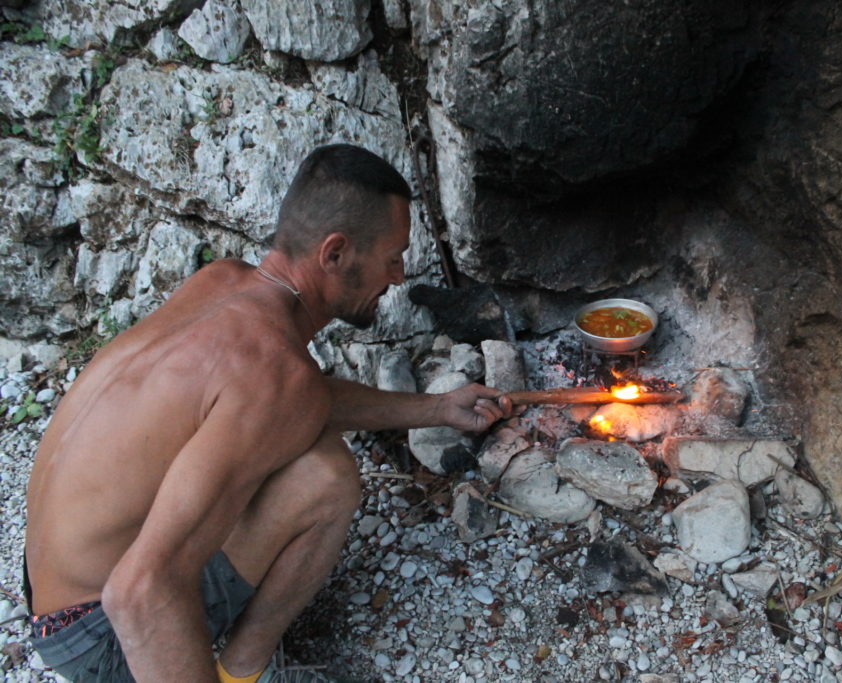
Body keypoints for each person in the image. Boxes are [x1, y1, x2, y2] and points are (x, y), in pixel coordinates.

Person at [24, 144, 511, 682]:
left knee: (316, 462)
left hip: (52, 594)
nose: (398, 277)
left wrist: (440, 407)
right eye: (393, 256)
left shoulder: (225, 282)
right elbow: (141, 591)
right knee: (327, 480)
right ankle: (242, 674)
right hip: (101, 637)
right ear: (335, 254)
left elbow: (304, 402)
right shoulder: (278, 374)